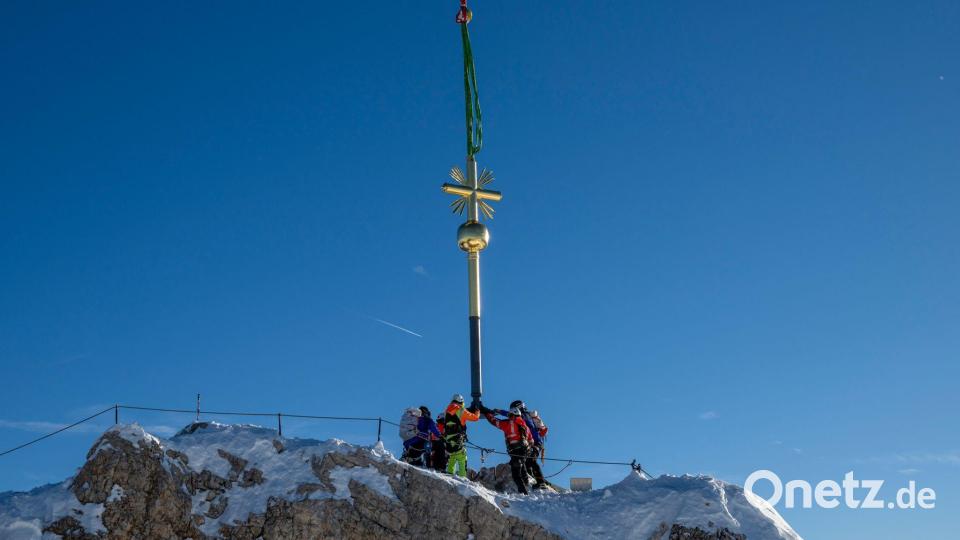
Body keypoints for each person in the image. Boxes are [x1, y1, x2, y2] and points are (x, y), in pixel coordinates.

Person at [499, 400, 547, 490]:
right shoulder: (528, 415)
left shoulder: (524, 416)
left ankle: (541, 482)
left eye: (513, 409)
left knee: (531, 461)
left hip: (535, 442)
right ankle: (535, 480)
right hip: (536, 442)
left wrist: (499, 411)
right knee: (528, 460)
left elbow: (510, 415)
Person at [483, 406, 532, 494]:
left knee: (516, 473)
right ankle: (527, 484)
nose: (509, 417)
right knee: (522, 466)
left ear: (514, 415)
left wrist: (487, 413)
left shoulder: (509, 424)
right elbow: (531, 440)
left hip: (516, 451)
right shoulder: (525, 425)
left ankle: (524, 493)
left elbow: (495, 422)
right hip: (525, 451)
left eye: (510, 415)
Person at [443, 394, 480, 477]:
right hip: (457, 438)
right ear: (461, 401)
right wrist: (477, 411)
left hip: (448, 439)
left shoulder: (447, 411)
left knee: (452, 456)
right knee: (462, 457)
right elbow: (475, 418)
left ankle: (449, 475)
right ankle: (462, 478)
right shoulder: (460, 410)